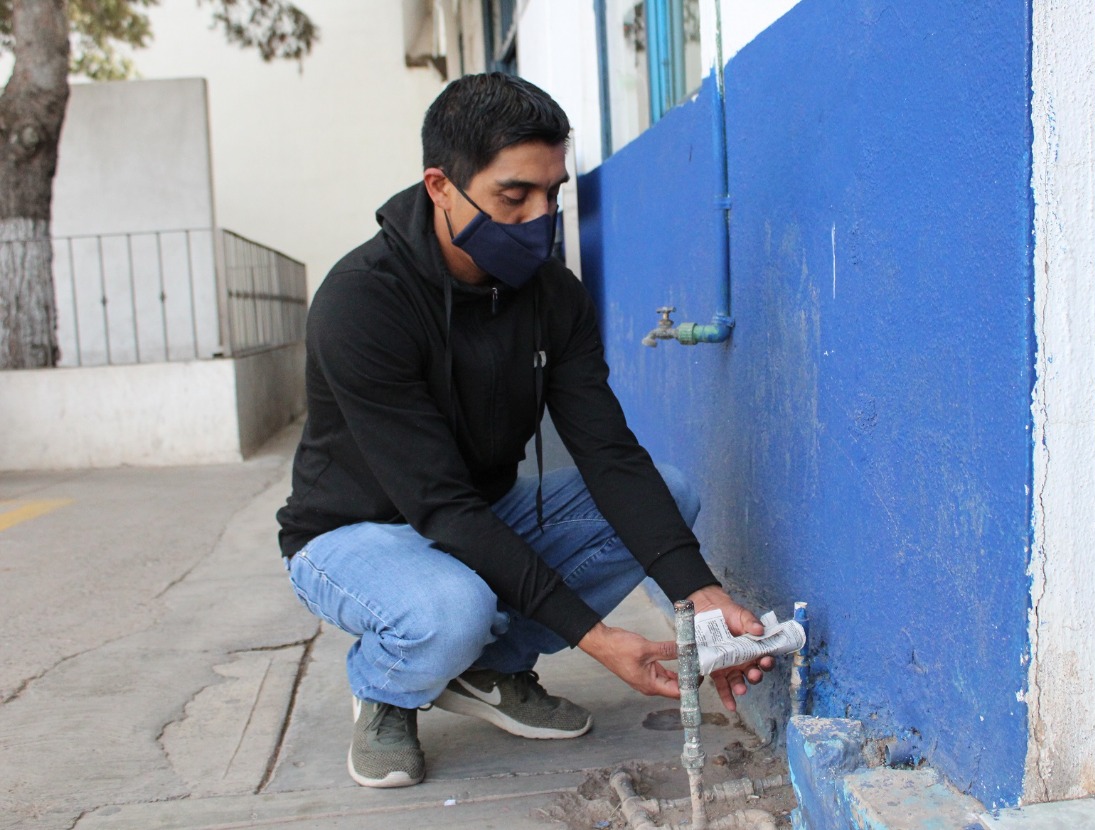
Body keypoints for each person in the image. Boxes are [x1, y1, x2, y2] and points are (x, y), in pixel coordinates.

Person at [276, 72, 772, 789]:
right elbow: (439, 505)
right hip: (353, 533)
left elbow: (608, 453)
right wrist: (598, 641)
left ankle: (490, 671)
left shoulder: (551, 296)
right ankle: (385, 690)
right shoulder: (362, 302)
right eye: (515, 196)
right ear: (441, 186)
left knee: (671, 492)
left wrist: (700, 596)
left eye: (553, 194)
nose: (540, 219)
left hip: (478, 509)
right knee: (452, 608)